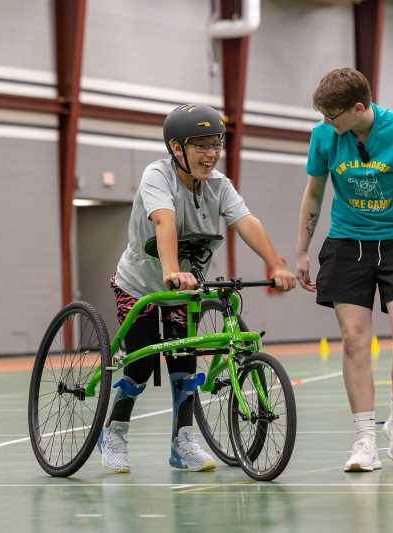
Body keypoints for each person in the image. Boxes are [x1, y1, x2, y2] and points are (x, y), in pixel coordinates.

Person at [98, 104, 296, 473]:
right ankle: (114, 432)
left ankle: (183, 442)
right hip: (140, 285)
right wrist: (172, 271)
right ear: (176, 148)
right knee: (140, 364)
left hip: (184, 289)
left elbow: (246, 222)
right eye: (201, 146)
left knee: (184, 363)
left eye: (216, 144)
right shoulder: (157, 176)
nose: (211, 154)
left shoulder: (219, 186)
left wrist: (277, 263)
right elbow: (164, 221)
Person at [295, 68, 393, 471]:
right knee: (354, 338)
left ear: (359, 108)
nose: (327, 122)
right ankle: (363, 439)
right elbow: (314, 192)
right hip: (347, 242)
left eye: (332, 115)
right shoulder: (325, 136)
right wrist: (303, 251)